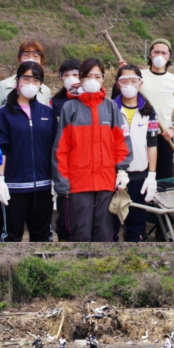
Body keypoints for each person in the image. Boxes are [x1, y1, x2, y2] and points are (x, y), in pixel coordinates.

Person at [52, 58, 129, 241]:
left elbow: (121, 143)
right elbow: (61, 149)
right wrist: (62, 182)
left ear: (103, 79)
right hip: (78, 185)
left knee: (104, 235)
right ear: (81, 79)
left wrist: (122, 171)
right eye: (88, 76)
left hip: (106, 184)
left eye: (97, 76)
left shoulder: (111, 108)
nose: (93, 80)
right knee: (80, 235)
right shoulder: (70, 107)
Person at [0, 61, 57, 241]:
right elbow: (0, 149)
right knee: (10, 236)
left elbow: (54, 147)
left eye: (36, 80)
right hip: (14, 187)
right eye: (26, 78)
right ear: (17, 81)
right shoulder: (4, 113)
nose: (31, 84)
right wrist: (0, 180)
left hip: (44, 187)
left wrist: (55, 179)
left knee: (43, 236)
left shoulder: (47, 112)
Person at [113, 64, 160, 241]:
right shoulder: (110, 109)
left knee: (136, 226)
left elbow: (152, 143)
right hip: (114, 176)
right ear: (118, 84)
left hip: (139, 176)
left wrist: (152, 175)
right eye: (124, 80)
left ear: (141, 83)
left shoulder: (149, 111)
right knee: (111, 224)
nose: (129, 85)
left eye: (134, 80)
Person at [139, 38, 174, 179]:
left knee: (164, 179)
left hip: (164, 136)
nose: (160, 55)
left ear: (169, 56)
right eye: (156, 51)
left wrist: (173, 129)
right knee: (142, 176)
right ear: (150, 55)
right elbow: (120, 95)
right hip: (141, 135)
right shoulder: (139, 75)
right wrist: (123, 73)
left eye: (163, 52)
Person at [50, 59, 82, 241]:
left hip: (85, 166)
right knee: (65, 213)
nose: (71, 78)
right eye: (66, 75)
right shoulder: (55, 103)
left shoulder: (92, 101)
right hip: (64, 166)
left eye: (76, 74)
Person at [0, 41, 52, 107]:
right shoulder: (3, 85)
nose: (31, 59)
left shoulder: (46, 91)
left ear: (41, 61)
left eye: (35, 56)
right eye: (26, 55)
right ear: (19, 58)